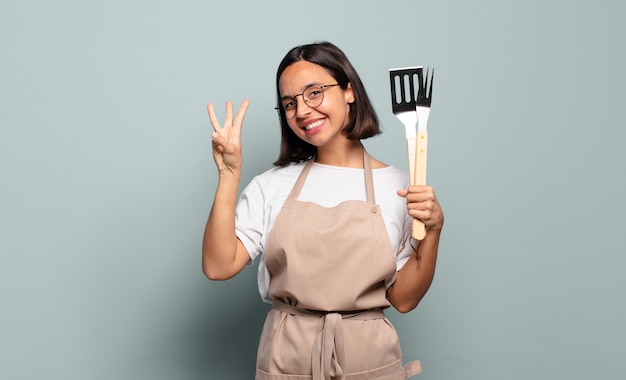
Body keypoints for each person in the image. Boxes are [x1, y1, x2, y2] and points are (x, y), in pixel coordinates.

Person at [203, 41, 444, 380]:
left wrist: (433, 231)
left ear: (349, 91)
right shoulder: (272, 186)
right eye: (290, 103)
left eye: (313, 93)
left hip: (369, 358)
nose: (302, 111)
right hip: (287, 356)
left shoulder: (400, 186)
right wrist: (229, 175)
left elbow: (403, 299)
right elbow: (218, 265)